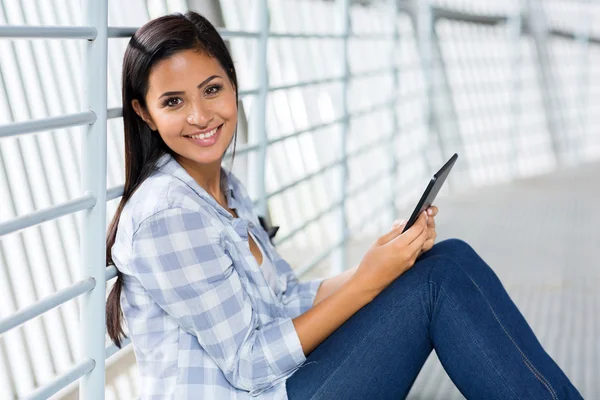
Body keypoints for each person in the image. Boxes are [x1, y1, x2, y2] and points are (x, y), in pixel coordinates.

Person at [105, 11, 583, 400]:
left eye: (211, 89)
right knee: (439, 281)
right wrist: (367, 284)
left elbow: (285, 298)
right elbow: (249, 363)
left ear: (232, 86)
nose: (200, 116)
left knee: (445, 258)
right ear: (144, 112)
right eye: (173, 102)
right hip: (260, 391)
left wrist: (383, 262)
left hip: (283, 386)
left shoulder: (220, 186)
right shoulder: (165, 215)